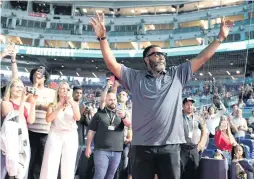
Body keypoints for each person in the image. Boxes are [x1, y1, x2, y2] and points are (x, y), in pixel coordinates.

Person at [90, 12, 234, 179]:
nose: (161, 56)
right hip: (141, 147)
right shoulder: (135, 77)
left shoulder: (177, 74)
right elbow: (111, 64)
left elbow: (202, 58)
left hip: (170, 147)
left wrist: (220, 38)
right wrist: (102, 39)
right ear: (146, 59)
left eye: (162, 54)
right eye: (156, 54)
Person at [85, 92, 131, 179]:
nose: (113, 101)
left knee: (110, 176)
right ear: (105, 101)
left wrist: (124, 117)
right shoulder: (99, 114)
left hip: (117, 150)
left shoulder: (122, 113)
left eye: (114, 100)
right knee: (100, 175)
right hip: (101, 150)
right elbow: (91, 131)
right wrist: (88, 147)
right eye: (110, 100)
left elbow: (129, 125)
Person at [40, 82, 81, 179]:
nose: (64, 91)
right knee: (50, 161)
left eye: (67, 89)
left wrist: (72, 104)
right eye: (62, 88)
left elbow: (78, 117)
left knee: (68, 163)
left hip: (70, 135)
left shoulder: (74, 104)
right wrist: (59, 107)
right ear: (58, 91)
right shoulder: (52, 105)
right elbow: (48, 119)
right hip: (55, 134)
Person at [1, 78, 37, 179]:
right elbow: (15, 119)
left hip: (23, 138)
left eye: (22, 87)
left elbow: (31, 120)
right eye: (17, 86)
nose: (20, 89)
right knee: (7, 169)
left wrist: (33, 103)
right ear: (10, 89)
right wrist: (22, 101)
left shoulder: (26, 104)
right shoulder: (5, 103)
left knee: (21, 168)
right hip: (10, 139)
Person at [27, 67, 54, 179]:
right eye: (35, 74)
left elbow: (52, 108)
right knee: (28, 161)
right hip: (30, 131)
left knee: (40, 163)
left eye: (40, 74)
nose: (37, 76)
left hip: (45, 132)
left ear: (45, 77)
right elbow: (27, 103)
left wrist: (37, 105)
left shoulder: (52, 92)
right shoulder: (28, 89)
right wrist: (35, 86)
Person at [181, 97, 207, 179]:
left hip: (194, 149)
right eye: (187, 104)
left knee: (195, 171)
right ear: (183, 105)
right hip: (182, 149)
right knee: (181, 172)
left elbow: (204, 130)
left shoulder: (197, 117)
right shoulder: (178, 117)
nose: (190, 106)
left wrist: (201, 143)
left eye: (191, 105)